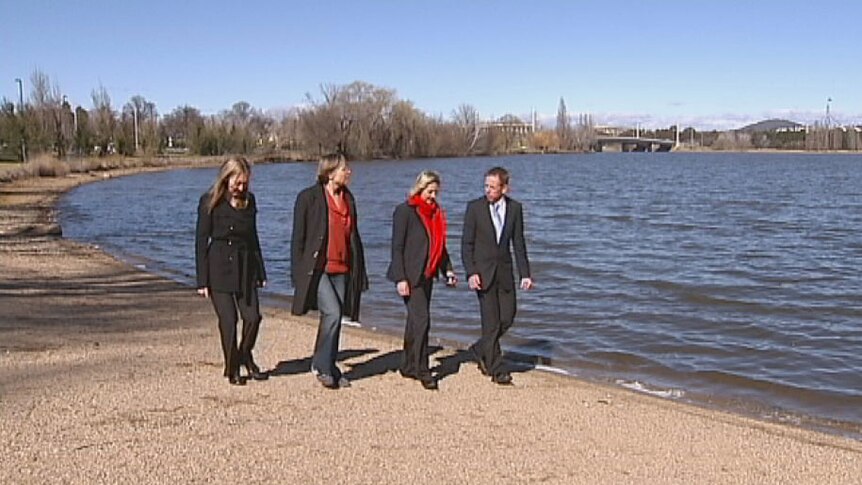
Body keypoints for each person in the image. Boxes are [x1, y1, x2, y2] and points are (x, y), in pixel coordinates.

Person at [291, 153, 368, 389]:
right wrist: (297, 273)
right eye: (345, 168)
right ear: (330, 172)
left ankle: (327, 362)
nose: (349, 172)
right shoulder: (309, 198)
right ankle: (324, 368)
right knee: (333, 313)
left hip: (343, 267)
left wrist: (361, 271)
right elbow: (299, 239)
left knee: (333, 318)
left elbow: (354, 236)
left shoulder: (348, 199)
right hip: (319, 268)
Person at [195, 157, 268, 386]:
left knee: (253, 318)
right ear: (226, 179)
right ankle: (232, 367)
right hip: (218, 266)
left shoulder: (250, 201)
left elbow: (253, 237)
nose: (241, 188)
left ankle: (244, 353)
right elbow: (200, 241)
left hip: (246, 265)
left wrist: (261, 271)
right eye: (237, 183)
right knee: (229, 320)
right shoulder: (210, 201)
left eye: (245, 183)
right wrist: (202, 280)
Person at [461, 166, 533, 385]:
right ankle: (496, 368)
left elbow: (518, 243)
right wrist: (471, 272)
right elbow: (466, 244)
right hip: (482, 274)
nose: (488, 191)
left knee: (507, 316)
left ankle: (481, 348)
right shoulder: (474, 208)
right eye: (486, 186)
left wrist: (525, 274)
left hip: (504, 273)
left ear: (504, 188)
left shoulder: (515, 209)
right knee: (490, 322)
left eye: (492, 187)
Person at [387, 171, 458, 391]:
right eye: (429, 191)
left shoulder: (436, 214)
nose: (433, 196)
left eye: (436, 192)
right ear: (420, 189)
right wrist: (400, 278)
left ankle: (407, 365)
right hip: (409, 275)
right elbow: (397, 248)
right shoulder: (405, 212)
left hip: (427, 275)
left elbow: (440, 246)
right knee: (423, 320)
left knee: (414, 321)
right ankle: (422, 369)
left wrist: (448, 270)